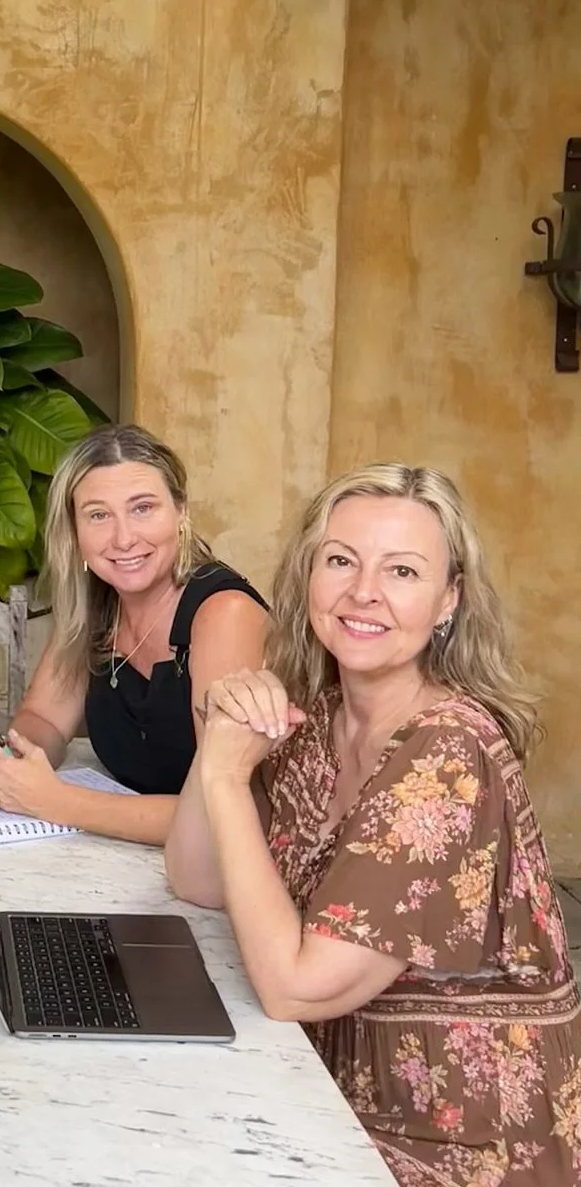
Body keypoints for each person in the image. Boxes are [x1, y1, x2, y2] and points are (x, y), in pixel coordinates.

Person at [167, 464, 580, 1184]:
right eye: (341, 561)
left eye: (403, 572)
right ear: (309, 577)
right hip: (327, 1086)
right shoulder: (316, 716)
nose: (364, 593)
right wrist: (220, 732)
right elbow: (195, 878)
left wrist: (231, 779)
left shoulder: (449, 753)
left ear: (448, 599)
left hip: (457, 1145)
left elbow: (297, 986)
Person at [0, 425, 267, 844]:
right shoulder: (95, 603)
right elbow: (44, 720)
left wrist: (54, 800)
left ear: (180, 511)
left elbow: (219, 812)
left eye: (143, 508)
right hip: (127, 859)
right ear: (74, 532)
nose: (124, 538)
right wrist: (18, 760)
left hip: (228, 873)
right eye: (98, 515)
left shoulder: (224, 613)